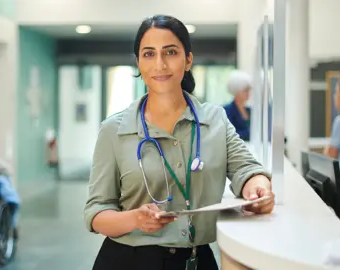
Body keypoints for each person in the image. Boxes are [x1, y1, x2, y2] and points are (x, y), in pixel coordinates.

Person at [84, 15, 274, 270]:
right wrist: (134, 219)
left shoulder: (215, 120)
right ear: (139, 63)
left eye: (170, 52)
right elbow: (97, 212)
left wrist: (258, 188)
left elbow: (247, 169)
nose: (160, 64)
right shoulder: (114, 130)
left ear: (188, 60)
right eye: (149, 54)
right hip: (128, 260)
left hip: (197, 260)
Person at [223, 70, 252, 141]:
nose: (248, 93)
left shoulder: (250, 110)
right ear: (237, 91)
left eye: (249, 90)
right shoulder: (227, 111)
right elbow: (230, 135)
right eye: (245, 90)